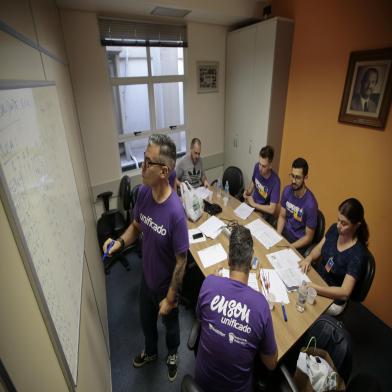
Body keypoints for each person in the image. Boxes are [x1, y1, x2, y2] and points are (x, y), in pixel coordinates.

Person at [103, 134, 189, 382]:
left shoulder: (176, 215)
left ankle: (172, 353)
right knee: (146, 322)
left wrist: (171, 298)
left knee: (171, 326)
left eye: (147, 162)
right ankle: (151, 351)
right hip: (146, 280)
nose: (141, 167)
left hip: (166, 287)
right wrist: (119, 242)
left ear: (164, 171)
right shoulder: (142, 193)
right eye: (143, 160)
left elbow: (181, 262)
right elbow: (137, 226)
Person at [195, 225, 278, 392]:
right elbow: (271, 363)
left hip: (201, 382)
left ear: (228, 259)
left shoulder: (209, 283)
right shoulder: (260, 305)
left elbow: (200, 318)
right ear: (252, 261)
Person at [299, 198, 369, 316]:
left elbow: (344, 292)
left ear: (356, 225)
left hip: (333, 298)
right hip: (317, 280)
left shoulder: (358, 254)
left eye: (344, 223)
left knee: (302, 307)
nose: (338, 225)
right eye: (338, 220)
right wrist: (309, 258)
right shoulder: (334, 230)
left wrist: (315, 288)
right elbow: (319, 248)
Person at [277, 158, 318, 254]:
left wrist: (290, 247)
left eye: (298, 177)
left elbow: (308, 237)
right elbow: (282, 216)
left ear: (305, 177)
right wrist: (277, 236)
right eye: (292, 176)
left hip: (298, 244)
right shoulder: (287, 190)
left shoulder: (311, 204)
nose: (293, 181)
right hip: (284, 236)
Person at [243, 145, 280, 223]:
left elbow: (272, 209)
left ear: (270, 165)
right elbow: (253, 181)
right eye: (260, 164)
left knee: (249, 222)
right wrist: (247, 192)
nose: (260, 168)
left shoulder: (275, 181)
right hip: (252, 204)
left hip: (262, 211)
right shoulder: (257, 167)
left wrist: (254, 205)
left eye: (264, 166)